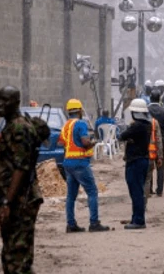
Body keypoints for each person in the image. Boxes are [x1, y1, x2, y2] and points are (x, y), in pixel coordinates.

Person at [0, 86, 48, 274]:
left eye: (5, 100)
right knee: (14, 256)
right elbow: (6, 168)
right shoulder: (9, 126)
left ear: (15, 103)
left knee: (16, 260)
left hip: (20, 202)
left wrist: (7, 202)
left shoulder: (19, 128)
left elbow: (20, 169)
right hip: (14, 200)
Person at [58, 99, 110, 233]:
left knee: (71, 196)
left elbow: (61, 143)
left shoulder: (66, 125)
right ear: (80, 111)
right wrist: (93, 142)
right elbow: (85, 142)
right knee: (92, 192)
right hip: (80, 162)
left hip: (68, 163)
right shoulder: (80, 123)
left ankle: (71, 224)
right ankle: (94, 223)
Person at [118, 99, 152, 229]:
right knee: (137, 191)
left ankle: (138, 220)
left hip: (135, 161)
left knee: (136, 191)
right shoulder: (146, 125)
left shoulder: (137, 126)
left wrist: (129, 137)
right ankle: (136, 218)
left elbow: (122, 136)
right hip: (142, 160)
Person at [146, 90, 164, 196]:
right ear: (159, 98)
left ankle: (149, 189)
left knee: (149, 165)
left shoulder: (146, 110)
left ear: (150, 98)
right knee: (160, 165)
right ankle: (159, 190)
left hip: (149, 141)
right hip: (162, 141)